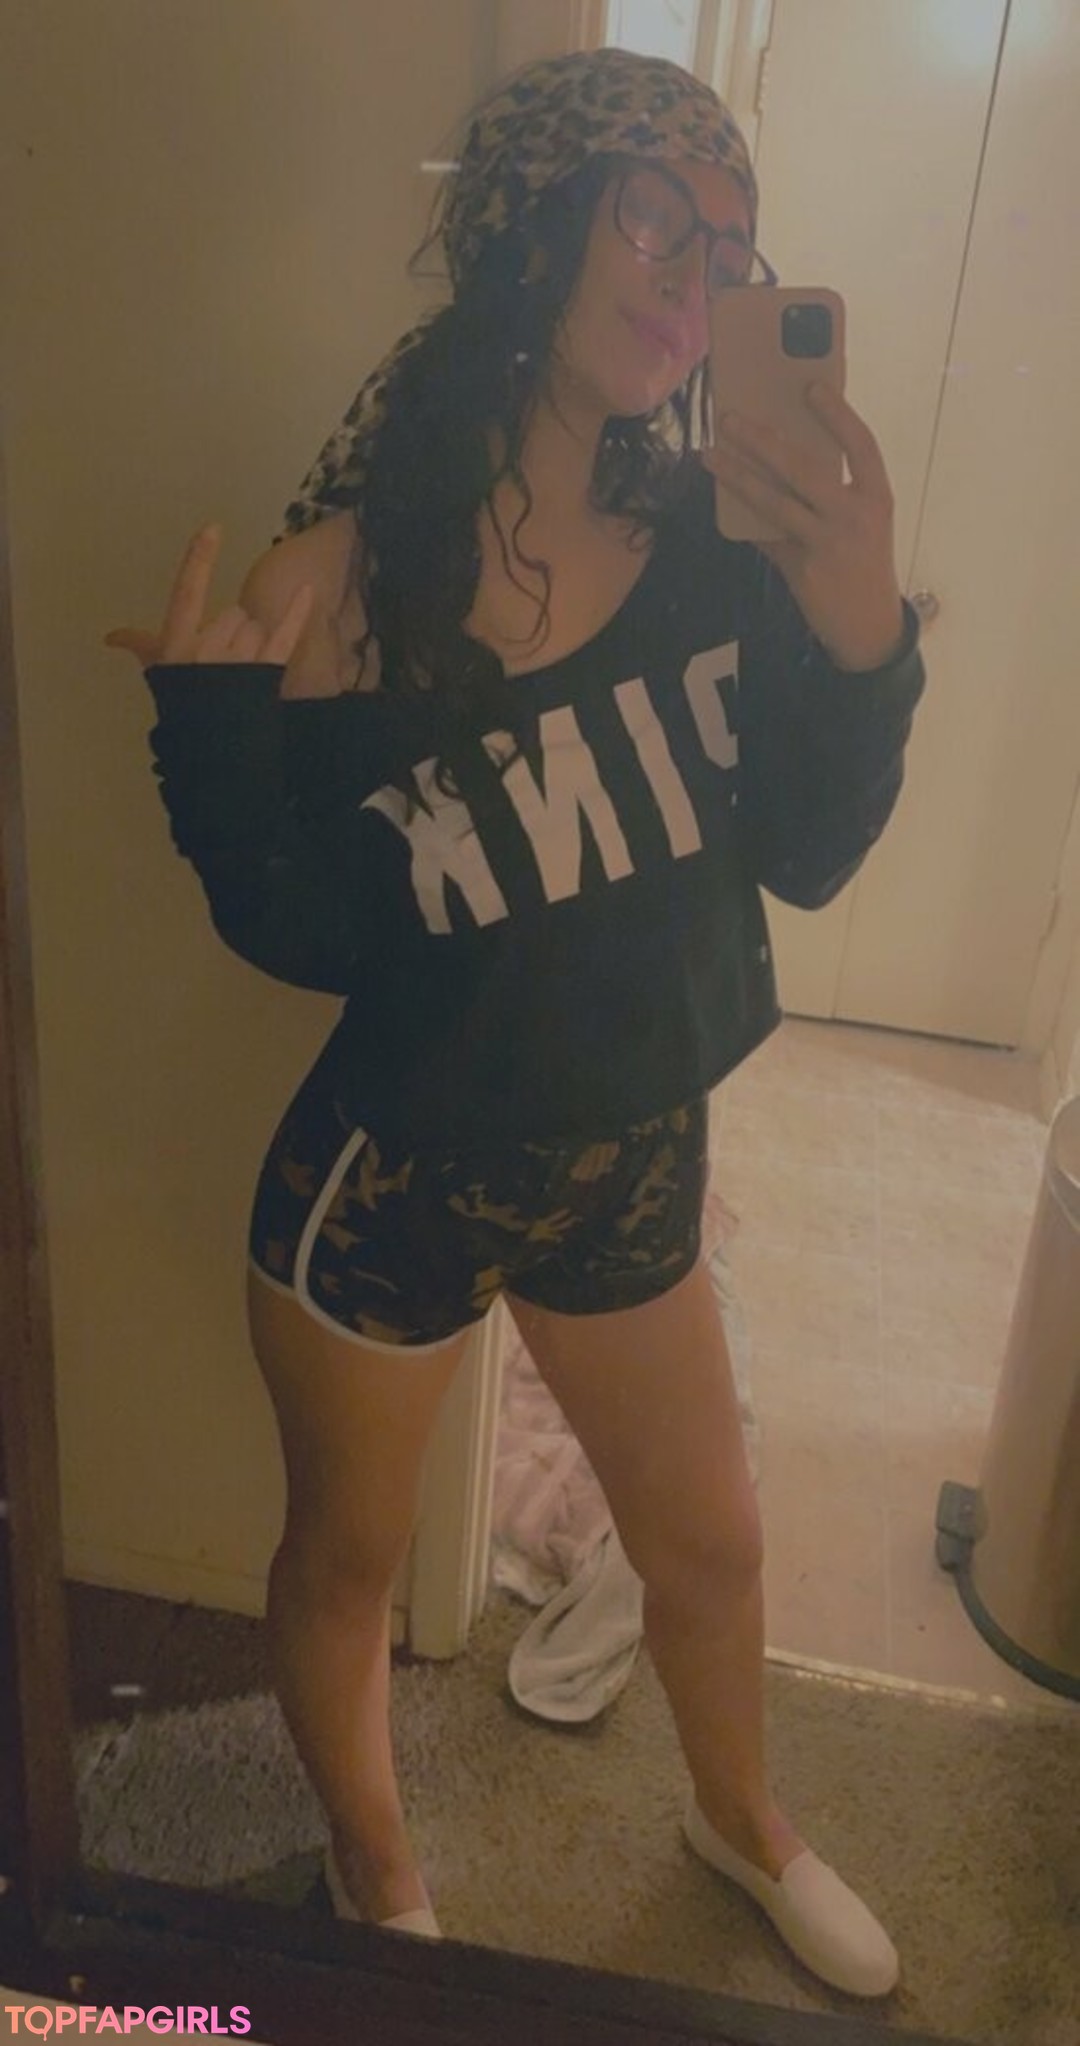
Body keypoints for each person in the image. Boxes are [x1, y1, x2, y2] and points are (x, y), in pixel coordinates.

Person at [106, 47, 924, 1997]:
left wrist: (862, 625)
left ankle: (740, 1818)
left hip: (632, 1159)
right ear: (531, 224)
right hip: (391, 1184)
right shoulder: (346, 583)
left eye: (728, 246)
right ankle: (379, 1874)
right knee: (350, 1561)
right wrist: (215, 752)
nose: (691, 275)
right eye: (654, 216)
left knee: (710, 1545)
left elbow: (809, 857)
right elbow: (307, 930)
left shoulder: (727, 548)